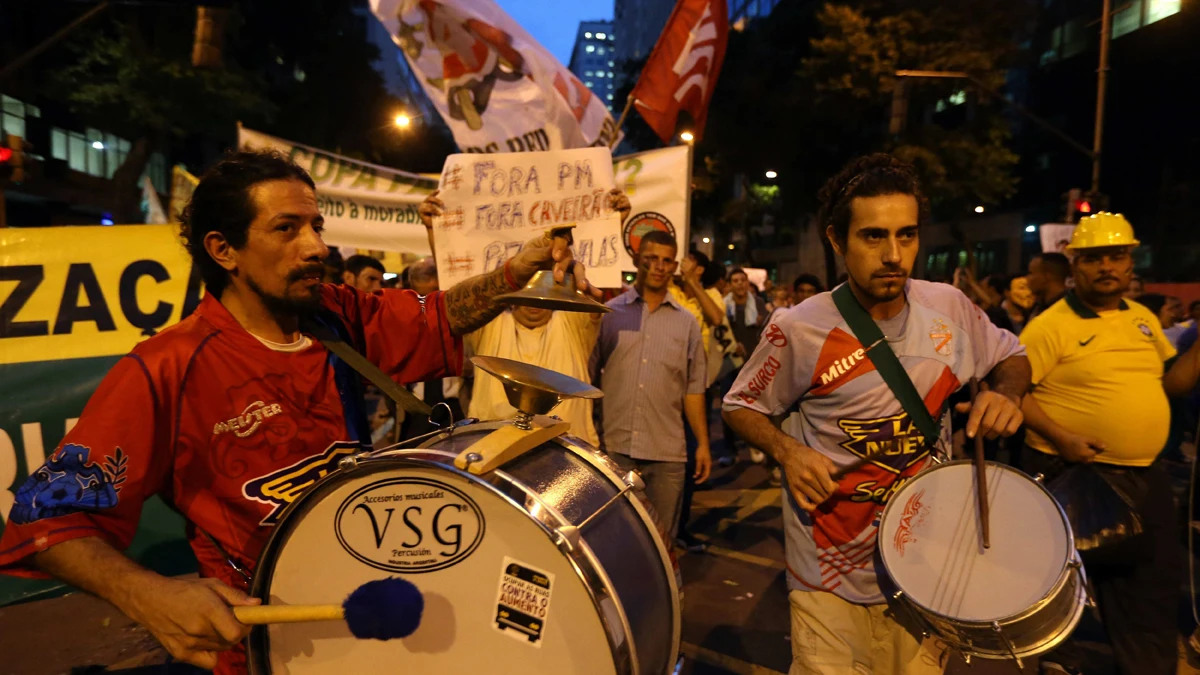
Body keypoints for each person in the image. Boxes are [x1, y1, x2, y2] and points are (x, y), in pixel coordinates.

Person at [0, 150, 591, 675]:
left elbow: (438, 316)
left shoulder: (335, 316)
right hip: (265, 648)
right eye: (287, 229)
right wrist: (148, 595)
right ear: (222, 250)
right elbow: (44, 523)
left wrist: (518, 269)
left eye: (316, 225)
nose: (316, 247)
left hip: (373, 616)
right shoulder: (169, 367)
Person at [722, 153, 1029, 675]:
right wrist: (786, 450)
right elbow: (739, 404)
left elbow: (1011, 356)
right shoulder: (798, 327)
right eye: (873, 237)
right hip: (828, 573)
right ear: (837, 241)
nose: (893, 255)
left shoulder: (950, 308)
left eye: (906, 235)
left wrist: (1007, 394)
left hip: (926, 567)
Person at [1018, 212, 1200, 675]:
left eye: (1116, 256)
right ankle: (1059, 664)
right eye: (1094, 258)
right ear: (1075, 265)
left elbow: (1173, 383)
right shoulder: (1048, 326)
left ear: (1130, 262)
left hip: (1145, 477)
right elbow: (1014, 393)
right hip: (1076, 476)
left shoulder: (1141, 319)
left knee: (1152, 591)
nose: (1107, 267)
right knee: (1058, 592)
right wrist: (1063, 438)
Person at [591, 230, 713, 538]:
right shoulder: (610, 315)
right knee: (612, 538)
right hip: (615, 448)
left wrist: (702, 443)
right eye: (651, 259)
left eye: (666, 260)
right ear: (636, 260)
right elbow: (589, 378)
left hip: (668, 452)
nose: (659, 266)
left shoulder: (687, 323)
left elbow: (694, 389)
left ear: (674, 266)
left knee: (661, 543)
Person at [722, 267, 768, 461]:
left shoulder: (757, 303)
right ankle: (729, 450)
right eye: (735, 280)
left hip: (753, 362)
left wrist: (762, 321)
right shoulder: (723, 306)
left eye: (742, 280)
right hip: (729, 362)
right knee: (728, 407)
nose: (739, 284)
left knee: (754, 407)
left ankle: (755, 444)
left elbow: (768, 330)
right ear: (730, 285)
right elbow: (720, 332)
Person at [1027, 252, 1070, 319]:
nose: (1027, 278)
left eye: (1031, 273)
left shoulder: (1069, 309)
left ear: (1046, 276)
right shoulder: (1038, 307)